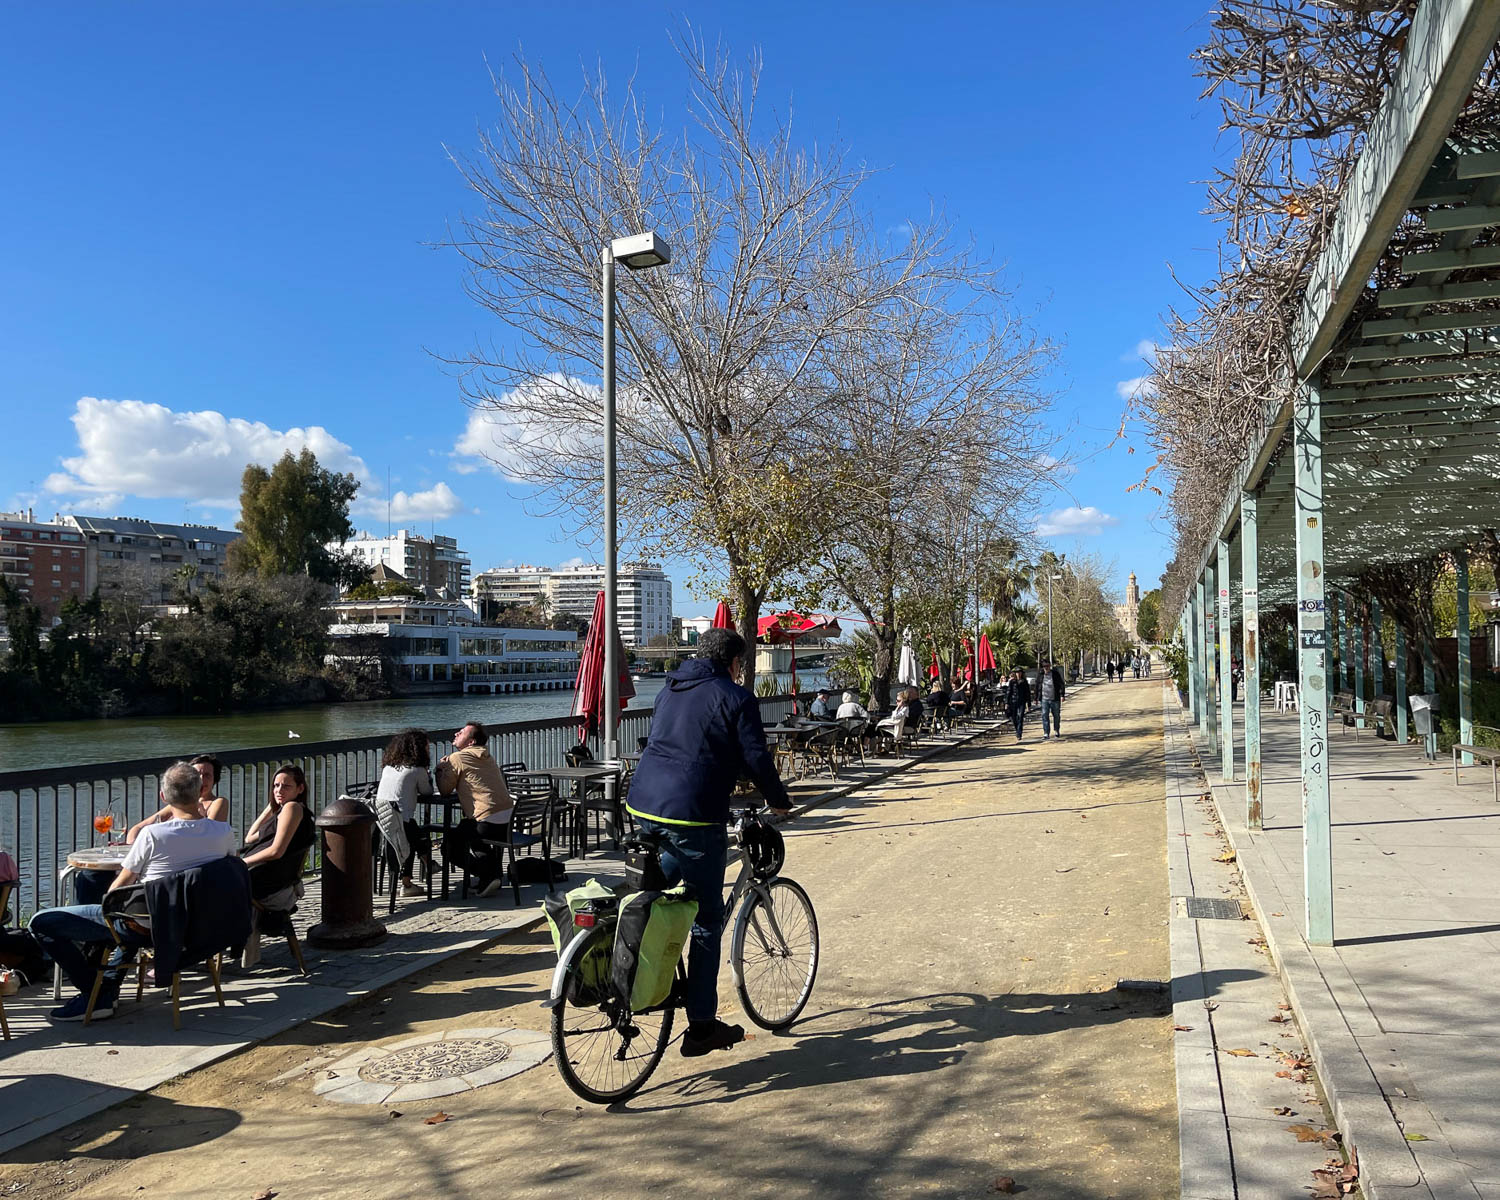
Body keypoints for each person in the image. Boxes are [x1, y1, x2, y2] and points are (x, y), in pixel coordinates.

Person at [625, 628, 793, 1058]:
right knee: (706, 919)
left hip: (643, 800)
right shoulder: (736, 697)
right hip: (693, 811)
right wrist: (778, 800)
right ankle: (701, 1026)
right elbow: (755, 754)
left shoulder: (670, 689)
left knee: (662, 886)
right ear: (734, 662)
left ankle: (634, 956)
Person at [30, 761, 236, 1022]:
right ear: (199, 793)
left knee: (43, 922)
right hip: (196, 925)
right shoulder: (223, 832)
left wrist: (109, 900)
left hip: (148, 927)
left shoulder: (152, 835)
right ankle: (106, 989)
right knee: (135, 910)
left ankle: (95, 991)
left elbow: (119, 889)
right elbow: (228, 870)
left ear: (163, 797)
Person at [436, 721, 514, 898]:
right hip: (507, 821)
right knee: (469, 829)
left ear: (470, 742)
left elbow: (445, 790)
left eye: (462, 732)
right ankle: (490, 876)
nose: (456, 733)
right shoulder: (488, 757)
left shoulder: (457, 758)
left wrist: (440, 769)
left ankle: (488, 875)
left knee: (448, 846)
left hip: (487, 821)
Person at [241, 764, 316, 902]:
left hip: (268, 879)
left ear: (300, 789)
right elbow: (249, 838)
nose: (279, 790)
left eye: (286, 786)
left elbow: (276, 851)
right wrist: (271, 805)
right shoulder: (284, 813)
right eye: (276, 786)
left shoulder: (292, 808)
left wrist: (241, 863)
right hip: (267, 874)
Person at [377, 728, 436, 897]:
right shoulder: (416, 770)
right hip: (399, 819)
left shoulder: (388, 767)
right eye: (426, 746)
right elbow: (427, 792)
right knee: (413, 836)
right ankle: (426, 862)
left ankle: (409, 881)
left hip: (382, 820)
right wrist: (429, 775)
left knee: (411, 834)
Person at [1039, 659, 1066, 740]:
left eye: (1047, 666)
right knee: (1044, 715)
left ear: (1050, 666)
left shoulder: (1055, 674)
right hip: (1044, 699)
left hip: (1055, 698)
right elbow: (1038, 685)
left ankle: (1056, 729)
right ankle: (1046, 733)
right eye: (1044, 666)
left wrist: (1062, 695)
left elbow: (1061, 684)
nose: (1046, 668)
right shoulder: (1040, 675)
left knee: (1056, 715)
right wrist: (1037, 697)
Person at [1006, 668, 1030, 739]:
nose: (1018, 674)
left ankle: (1019, 733)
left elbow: (1027, 693)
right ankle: (1017, 729)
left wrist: (1028, 704)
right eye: (1017, 673)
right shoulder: (1012, 682)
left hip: (1022, 701)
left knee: (1021, 716)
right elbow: (1008, 692)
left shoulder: (1024, 682)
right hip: (1013, 701)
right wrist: (1006, 702)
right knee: (1014, 717)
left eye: (1019, 672)